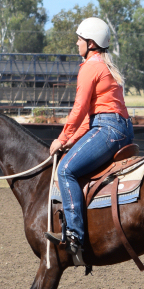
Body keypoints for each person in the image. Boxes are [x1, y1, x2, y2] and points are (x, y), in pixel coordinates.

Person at [46, 17, 134, 267]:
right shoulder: (104, 66)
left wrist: (61, 138)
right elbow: (89, 119)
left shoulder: (90, 67)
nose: (77, 43)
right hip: (120, 129)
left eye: (80, 39)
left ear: (91, 43)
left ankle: (74, 235)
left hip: (108, 129)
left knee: (65, 169)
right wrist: (71, 141)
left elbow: (79, 109)